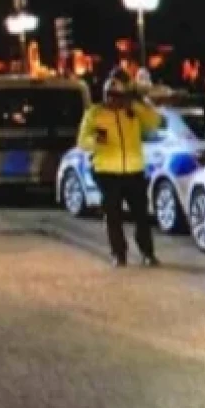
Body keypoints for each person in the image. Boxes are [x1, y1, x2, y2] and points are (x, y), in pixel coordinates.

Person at [76, 68, 162, 268]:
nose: (113, 100)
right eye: (109, 95)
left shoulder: (132, 112)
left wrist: (137, 104)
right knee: (113, 216)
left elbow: (155, 122)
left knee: (141, 216)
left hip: (133, 171)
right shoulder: (95, 113)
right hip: (107, 172)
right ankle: (119, 254)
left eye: (117, 96)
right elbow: (82, 141)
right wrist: (95, 140)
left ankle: (147, 253)